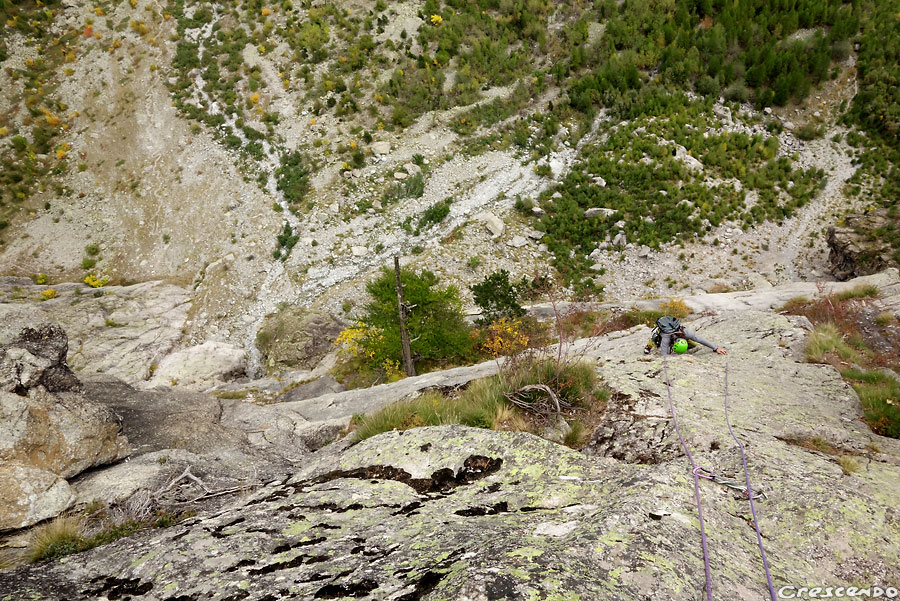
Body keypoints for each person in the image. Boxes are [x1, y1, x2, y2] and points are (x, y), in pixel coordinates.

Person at [644, 316, 727, 356]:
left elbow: (700, 339)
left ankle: (682, 348)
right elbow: (664, 354)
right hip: (661, 334)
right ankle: (648, 346)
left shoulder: (685, 332)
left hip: (679, 337)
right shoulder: (666, 337)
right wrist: (672, 357)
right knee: (655, 339)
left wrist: (716, 348)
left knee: (694, 345)